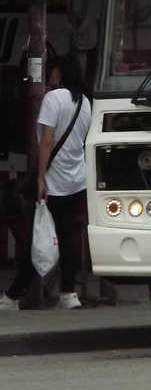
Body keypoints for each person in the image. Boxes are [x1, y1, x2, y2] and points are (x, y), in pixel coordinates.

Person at [0, 55, 92, 311]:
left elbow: (46, 142)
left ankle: (11, 297)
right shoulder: (85, 102)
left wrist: (41, 178)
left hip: (53, 180)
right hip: (76, 178)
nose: (50, 76)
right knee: (64, 236)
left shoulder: (53, 98)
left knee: (38, 238)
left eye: (52, 71)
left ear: (59, 72)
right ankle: (68, 295)